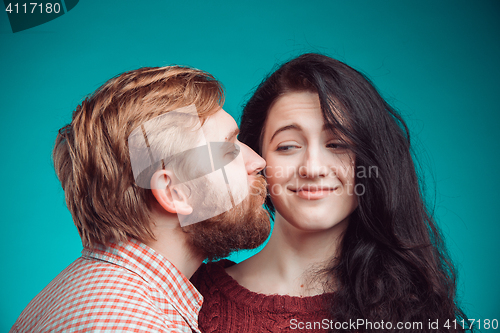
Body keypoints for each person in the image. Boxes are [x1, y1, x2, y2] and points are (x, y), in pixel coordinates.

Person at [191, 53, 469, 332]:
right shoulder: (189, 299)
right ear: (257, 160)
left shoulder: (416, 312)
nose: (312, 168)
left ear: (370, 160)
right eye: (287, 146)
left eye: (337, 144)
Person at [11, 65, 270, 333]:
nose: (258, 161)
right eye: (228, 151)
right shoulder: (137, 324)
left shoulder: (70, 293)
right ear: (174, 192)